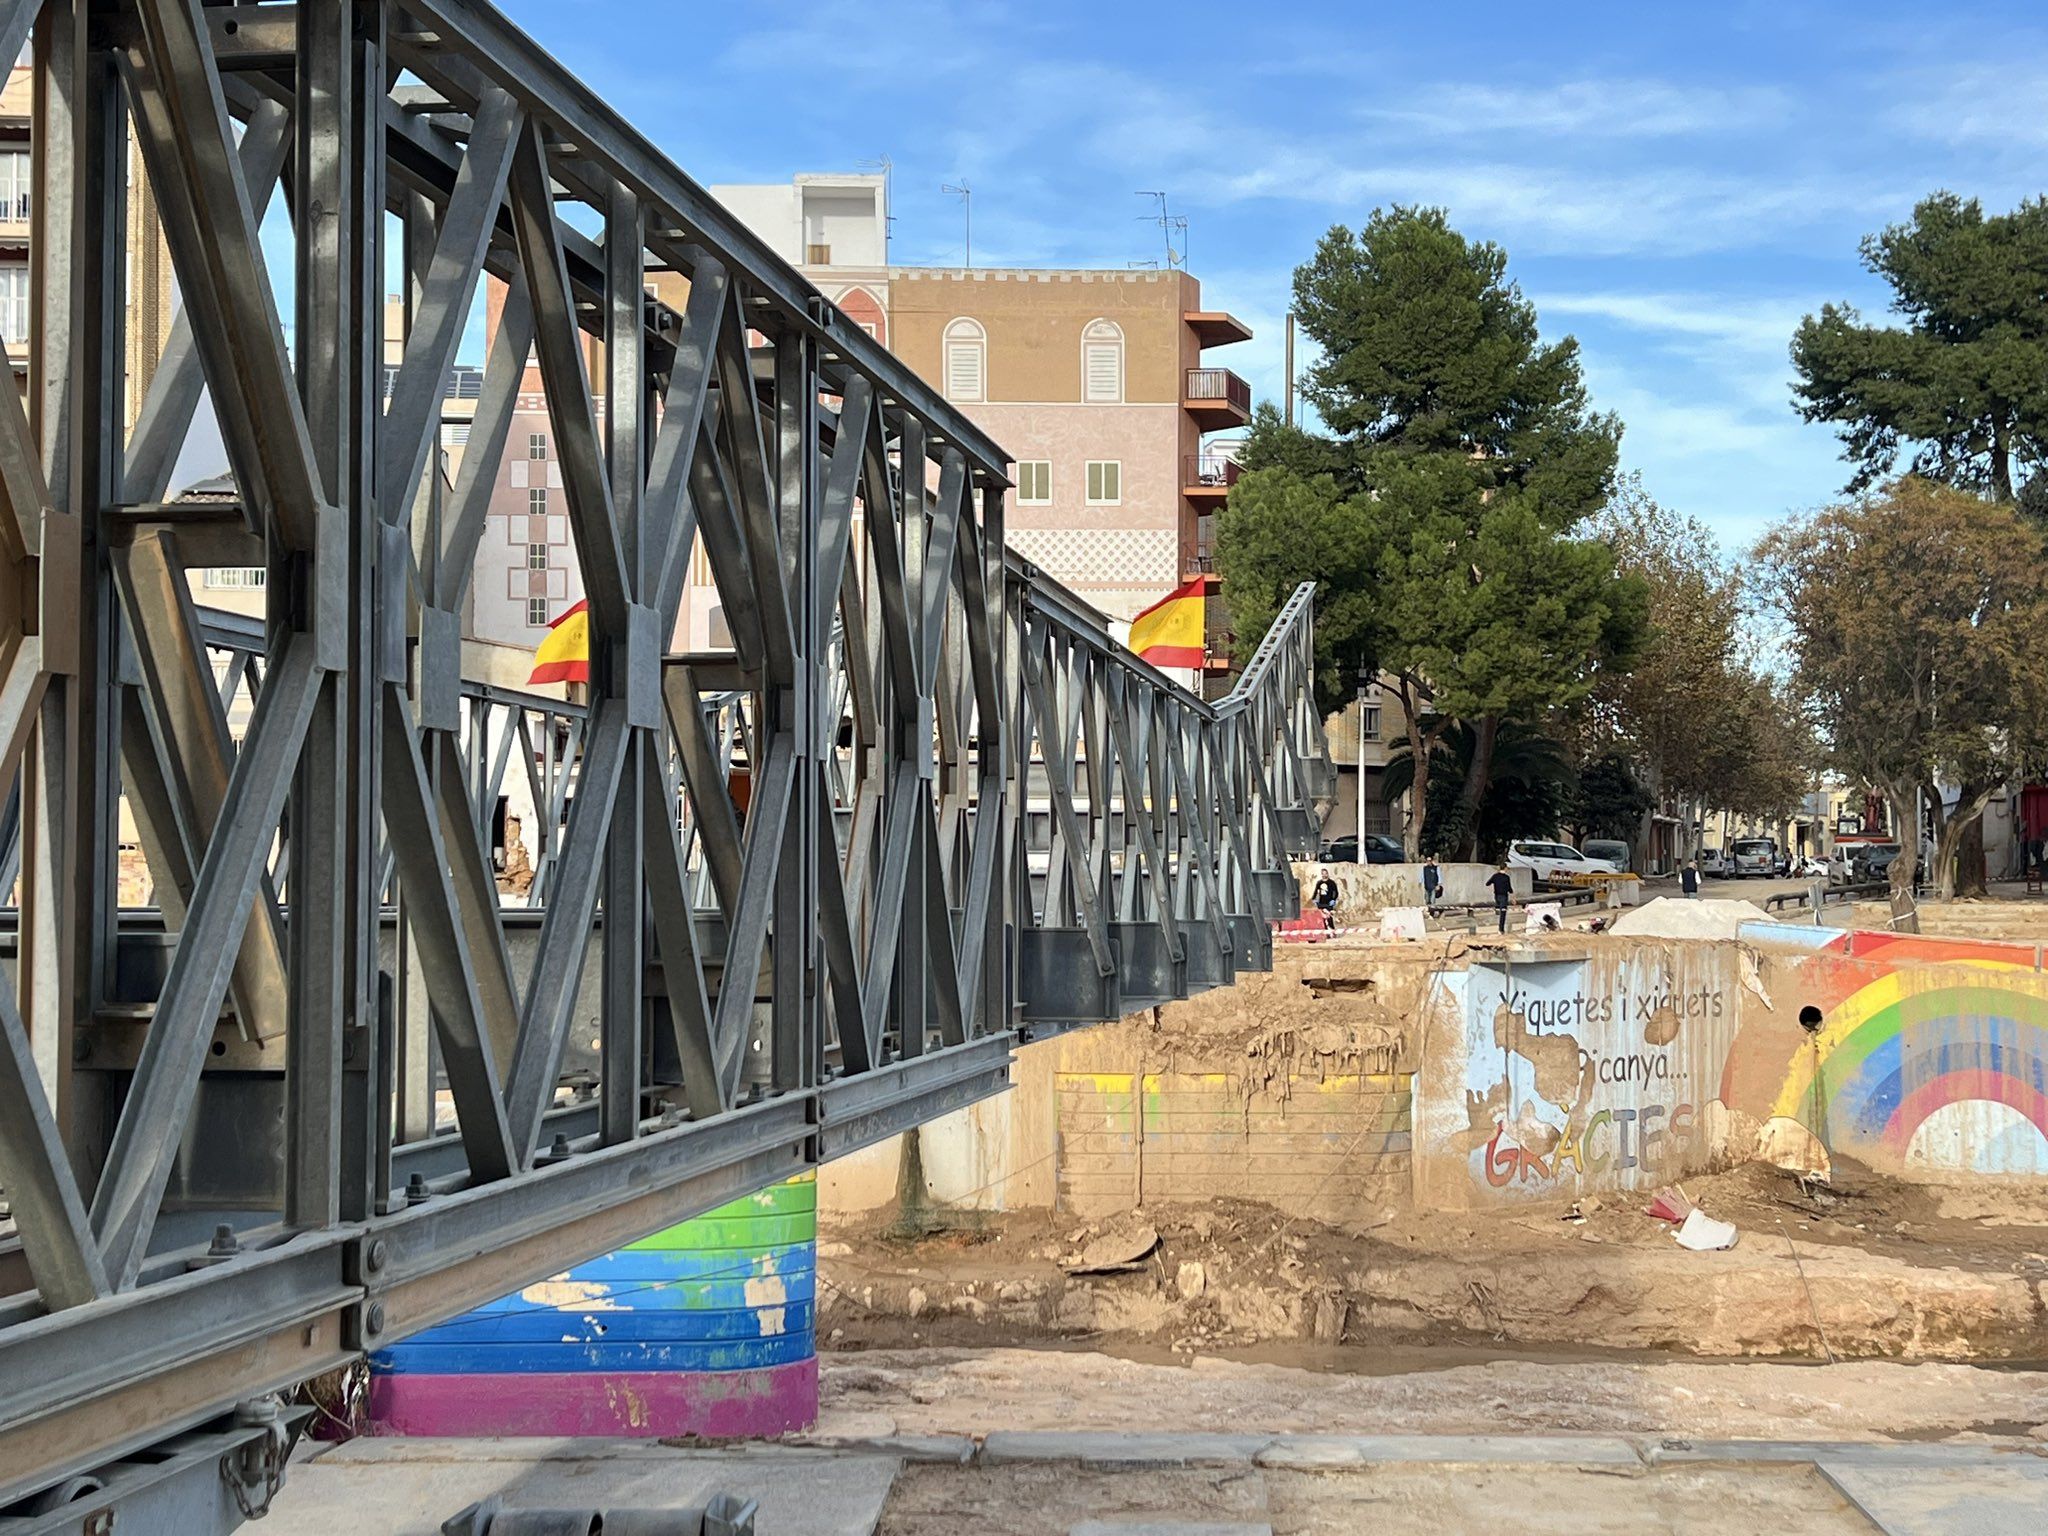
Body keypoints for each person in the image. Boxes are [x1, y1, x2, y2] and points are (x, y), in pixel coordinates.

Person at [1486, 862, 1513, 934]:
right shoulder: (1506, 877)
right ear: (1505, 868)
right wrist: (1513, 896)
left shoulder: (1495, 876)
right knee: (1503, 914)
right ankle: (1501, 929)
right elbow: (1509, 888)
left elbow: (1487, 883)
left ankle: (1497, 909)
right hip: (1504, 896)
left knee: (1499, 911)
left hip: (1497, 896)